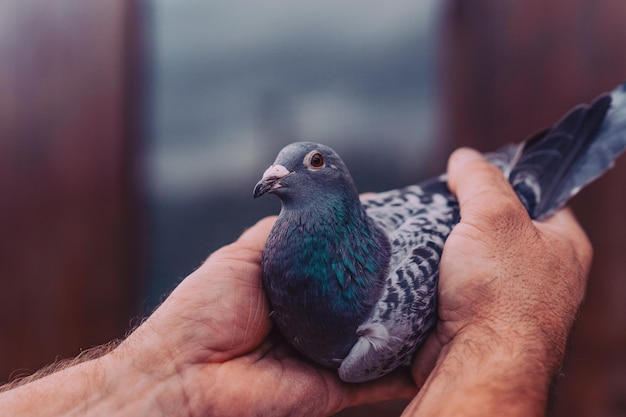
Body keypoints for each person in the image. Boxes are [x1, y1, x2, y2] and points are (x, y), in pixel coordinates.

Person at [0, 148, 592, 417]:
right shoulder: (282, 237)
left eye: (309, 162)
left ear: (334, 179)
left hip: (442, 216)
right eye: (282, 165)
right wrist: (510, 330)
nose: (279, 171)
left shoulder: (382, 315)